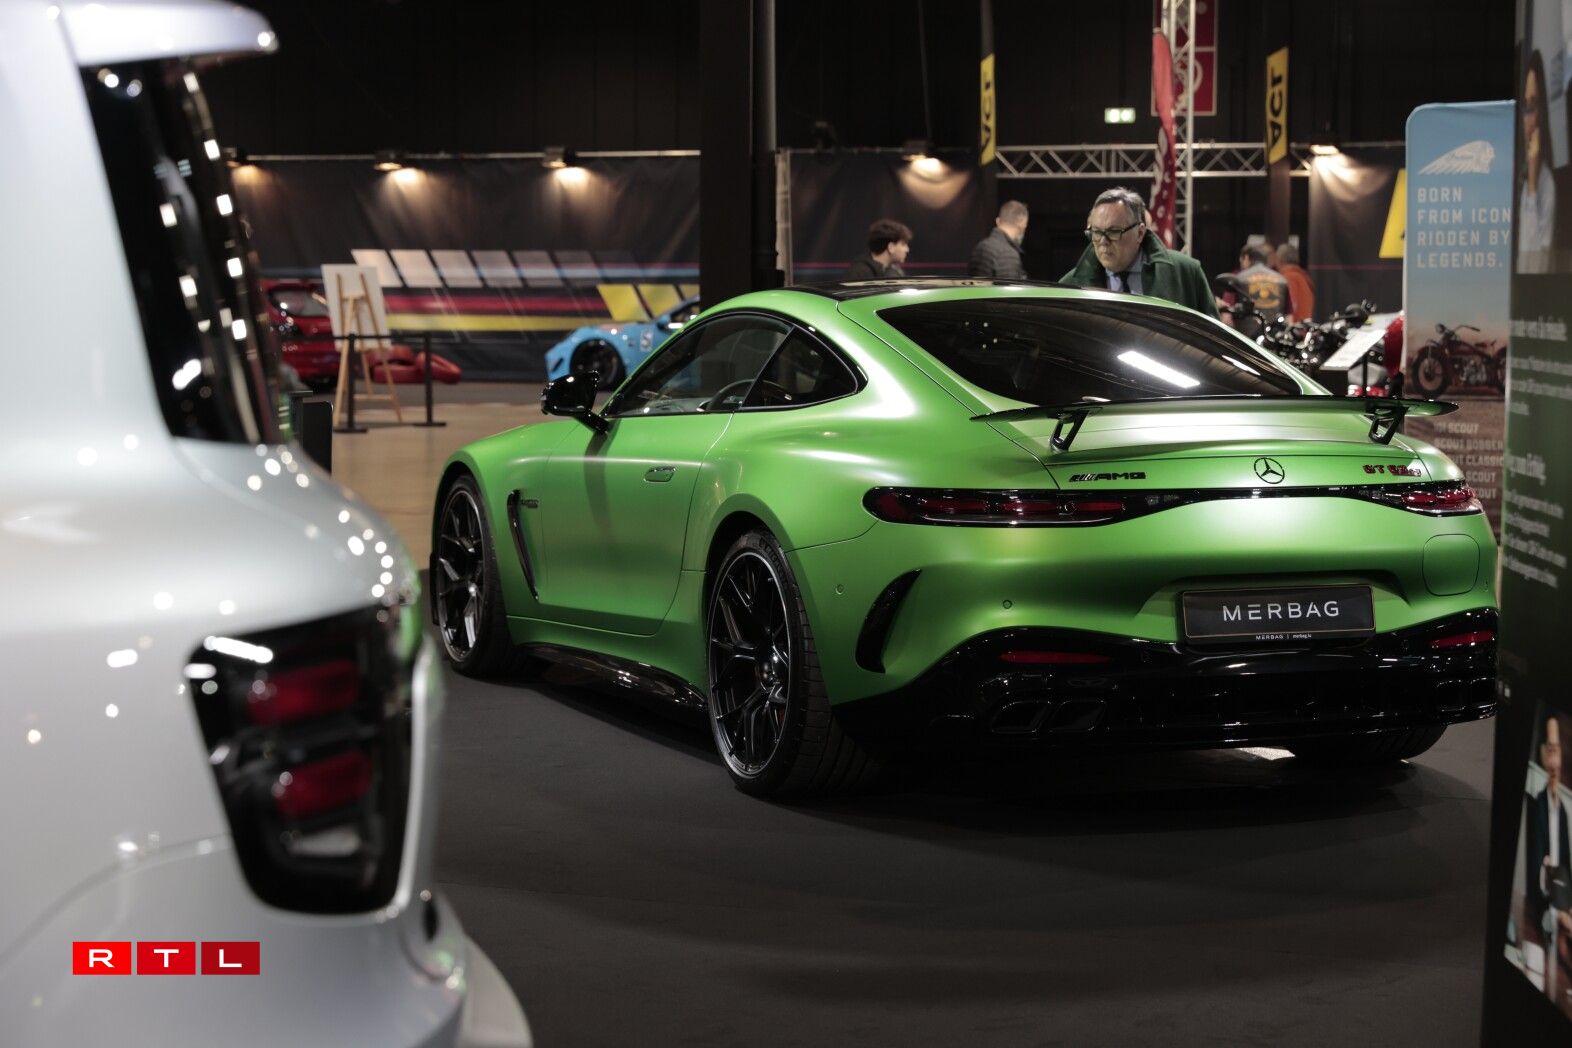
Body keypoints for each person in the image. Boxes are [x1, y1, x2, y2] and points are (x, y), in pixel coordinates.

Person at [1061, 186, 1218, 317]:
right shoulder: (1069, 286)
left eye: (1114, 231)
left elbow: (1214, 337)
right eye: (1096, 232)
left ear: (1140, 233)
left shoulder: (1185, 272)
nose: (1103, 241)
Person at [1519, 50, 1555, 273]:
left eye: (1534, 106)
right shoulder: (1517, 175)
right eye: (1525, 108)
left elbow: (1534, 269)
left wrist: (1532, 185)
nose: (1529, 120)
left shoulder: (1546, 183)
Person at [968, 200, 1029, 280]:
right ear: (1021, 224)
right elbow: (1009, 287)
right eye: (1025, 224)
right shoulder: (1008, 254)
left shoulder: (979, 246)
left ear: (998, 221)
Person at [1234, 242, 1291, 324]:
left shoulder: (1239, 279)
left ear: (1246, 258)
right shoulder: (1282, 280)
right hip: (1274, 331)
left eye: (1241, 261)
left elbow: (1227, 318)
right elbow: (1289, 317)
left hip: (1243, 332)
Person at [841, 219, 911, 281]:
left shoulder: (895, 271)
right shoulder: (859, 273)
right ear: (891, 247)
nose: (907, 250)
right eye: (903, 244)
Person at [1275, 241, 1315, 322]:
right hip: (1305, 325)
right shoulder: (1302, 277)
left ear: (1279, 259)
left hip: (1295, 326)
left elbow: (1292, 306)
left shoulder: (1287, 278)